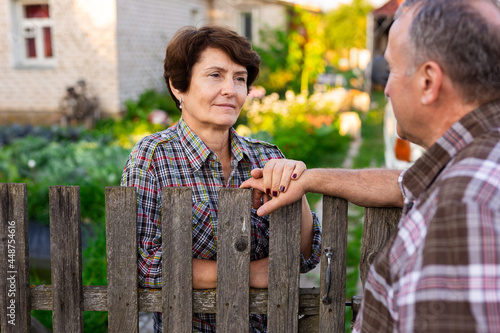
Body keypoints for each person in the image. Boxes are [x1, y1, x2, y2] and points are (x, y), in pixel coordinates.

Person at [241, 0, 500, 331]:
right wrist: (307, 179)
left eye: (392, 69)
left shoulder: (464, 208)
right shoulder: (471, 164)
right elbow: (403, 183)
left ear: (428, 81)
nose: (386, 88)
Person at [121, 25, 321, 333]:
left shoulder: (266, 157)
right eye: (215, 75)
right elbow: (143, 264)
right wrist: (246, 273)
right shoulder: (153, 157)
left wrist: (299, 184)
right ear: (178, 86)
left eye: (239, 78)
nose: (231, 89)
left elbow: (306, 257)